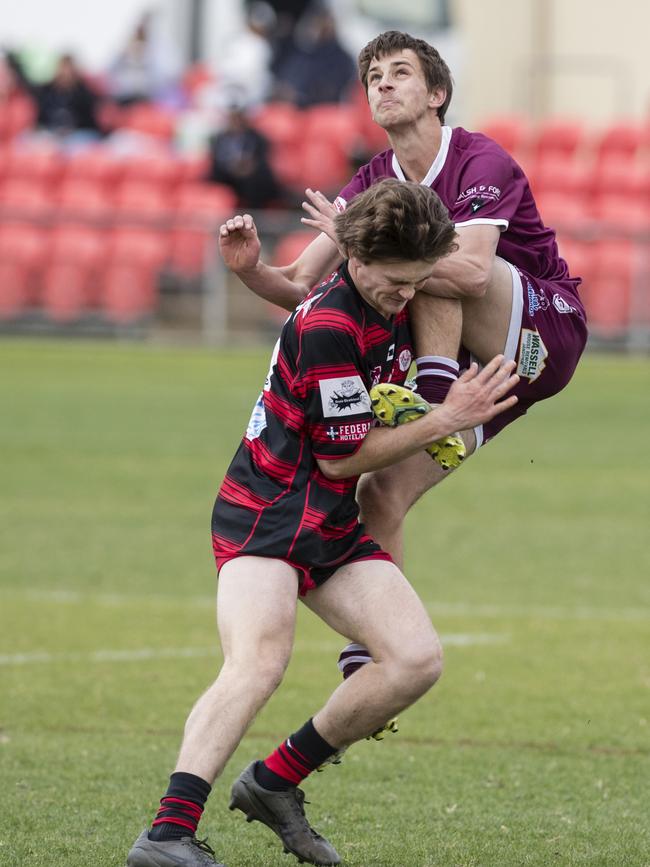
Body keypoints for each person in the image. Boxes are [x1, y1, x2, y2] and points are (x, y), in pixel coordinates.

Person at [125, 179, 519, 867]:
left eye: (418, 281)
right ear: (356, 261)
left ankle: (275, 782)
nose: (409, 295)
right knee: (258, 661)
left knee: (415, 659)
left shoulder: (395, 292)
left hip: (328, 523)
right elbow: (343, 463)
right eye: (397, 283)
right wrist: (444, 418)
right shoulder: (330, 322)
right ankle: (166, 832)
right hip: (266, 512)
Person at [222, 30, 589, 573]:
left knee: (419, 248)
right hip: (477, 371)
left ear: (437, 92)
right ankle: (378, 649)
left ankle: (432, 393)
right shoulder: (374, 180)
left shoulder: (478, 157)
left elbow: (468, 274)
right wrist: (250, 268)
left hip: (542, 333)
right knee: (379, 493)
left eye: (399, 73)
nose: (383, 85)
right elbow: (299, 284)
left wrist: (360, 239)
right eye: (373, 78)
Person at [206, 103, 283, 209]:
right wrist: (231, 167)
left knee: (258, 180)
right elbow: (216, 162)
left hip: (252, 177)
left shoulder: (257, 138)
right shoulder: (219, 139)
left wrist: (248, 167)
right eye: (233, 118)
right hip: (227, 176)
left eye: (238, 117)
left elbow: (262, 159)